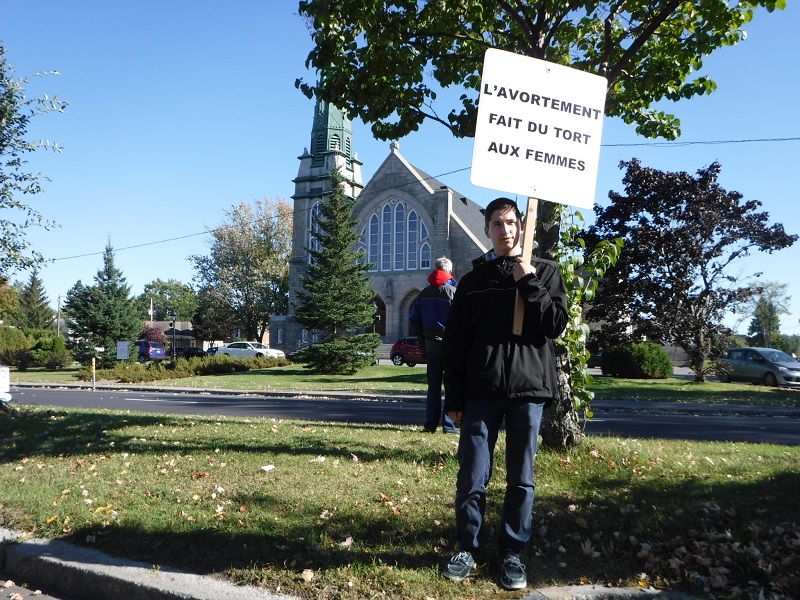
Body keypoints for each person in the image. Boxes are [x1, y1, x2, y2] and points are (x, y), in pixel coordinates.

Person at [440, 197, 568, 590]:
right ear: (487, 230)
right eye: (497, 223)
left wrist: (527, 279)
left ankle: (512, 552)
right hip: (482, 390)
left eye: (511, 222)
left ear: (522, 226)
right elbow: (457, 343)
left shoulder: (545, 272)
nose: (505, 230)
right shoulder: (475, 280)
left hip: (528, 390)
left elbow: (554, 324)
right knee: (472, 473)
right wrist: (455, 398)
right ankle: (468, 547)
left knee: (521, 477)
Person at [409, 256, 459, 434]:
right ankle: (449, 425)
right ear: (450, 271)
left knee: (434, 387)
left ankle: (430, 424)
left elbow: (414, 320)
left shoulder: (424, 293)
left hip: (431, 346)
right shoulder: (455, 291)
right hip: (452, 346)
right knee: (451, 386)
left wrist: (423, 339)